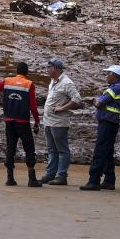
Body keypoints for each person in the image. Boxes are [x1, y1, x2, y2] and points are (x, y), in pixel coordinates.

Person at [0, 62, 43, 188]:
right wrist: (37, 122)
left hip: (9, 122)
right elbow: (33, 107)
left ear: (16, 71)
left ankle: (10, 178)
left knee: (10, 148)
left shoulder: (7, 81)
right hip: (23, 123)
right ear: (26, 73)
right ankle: (31, 178)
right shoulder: (29, 84)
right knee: (29, 148)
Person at [82, 65, 120, 191]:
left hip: (108, 123)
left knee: (100, 151)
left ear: (114, 75)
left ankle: (94, 180)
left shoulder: (115, 88)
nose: (106, 76)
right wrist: (98, 102)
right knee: (107, 152)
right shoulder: (115, 87)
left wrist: (97, 101)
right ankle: (109, 180)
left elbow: (99, 102)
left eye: (108, 74)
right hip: (110, 123)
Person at [39, 58, 81, 186]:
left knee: (62, 150)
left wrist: (62, 108)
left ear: (56, 68)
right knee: (51, 149)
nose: (47, 69)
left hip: (59, 123)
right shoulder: (53, 81)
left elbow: (77, 99)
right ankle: (51, 173)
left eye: (49, 67)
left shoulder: (67, 83)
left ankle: (61, 176)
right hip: (48, 121)